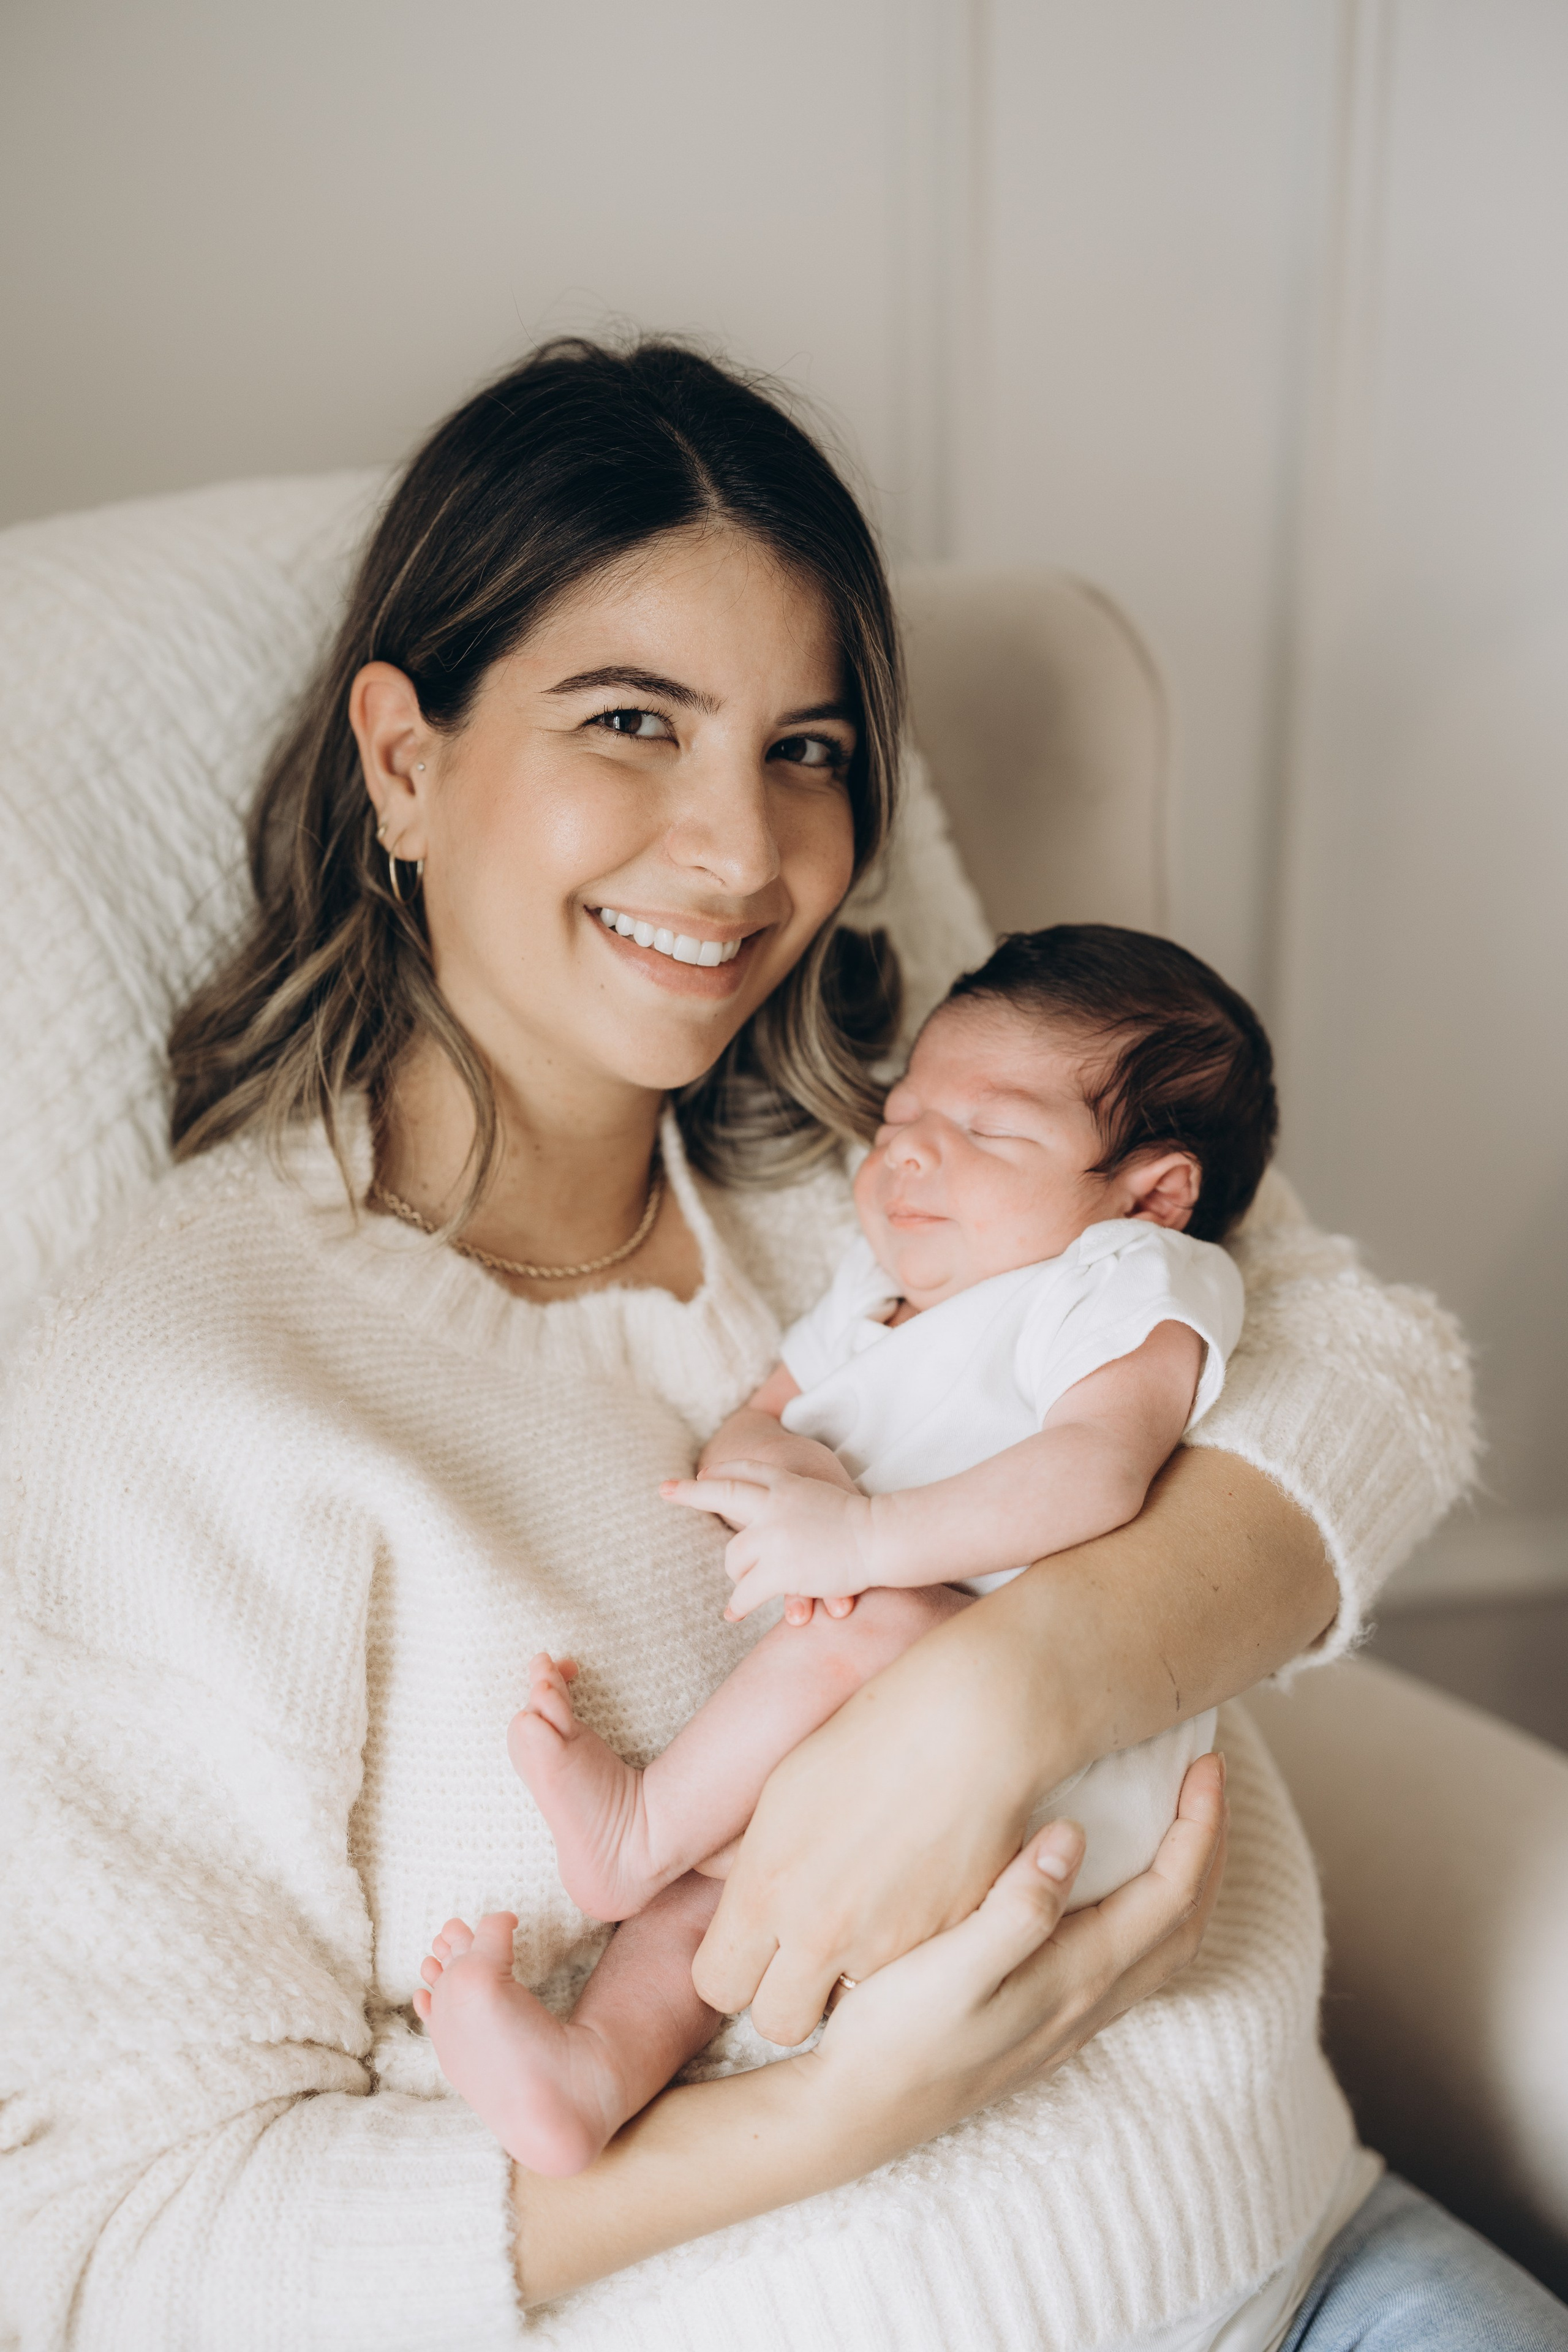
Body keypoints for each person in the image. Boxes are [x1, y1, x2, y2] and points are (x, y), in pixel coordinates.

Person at [1, 336, 1558, 2352]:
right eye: (633, 720)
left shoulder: (890, 1169)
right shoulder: (179, 1391)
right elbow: (113, 2246)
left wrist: (1003, 1692)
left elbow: (1362, 1361)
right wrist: (842, 2114)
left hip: (1308, 2265)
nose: (743, 852)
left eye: (808, 748)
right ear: (404, 760)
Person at [429, 924, 1264, 2177]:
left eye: (988, 1133)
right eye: (901, 1118)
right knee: (724, 1896)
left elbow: (1097, 1470)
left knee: (854, 1629)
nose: (913, 1152)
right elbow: (756, 1423)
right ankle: (588, 2074)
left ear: (1149, 1190)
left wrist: (862, 1535)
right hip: (885, 1716)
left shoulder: (1118, 1278)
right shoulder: (873, 1294)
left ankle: (634, 1830)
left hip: (1055, 1761)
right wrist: (787, 1478)